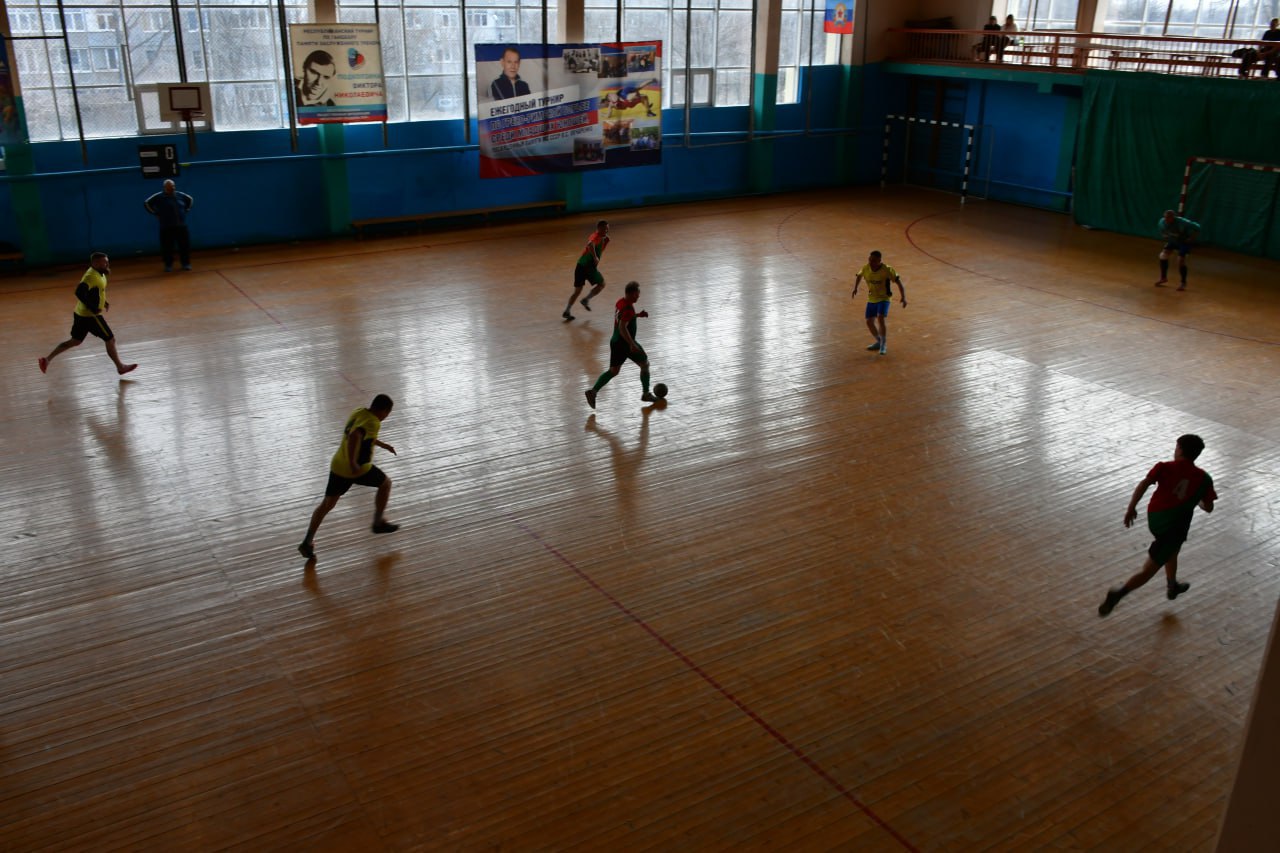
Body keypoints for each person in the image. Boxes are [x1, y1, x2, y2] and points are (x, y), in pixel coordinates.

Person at [1099, 434, 1217, 617]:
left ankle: (1172, 585)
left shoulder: (1164, 467)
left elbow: (1144, 484)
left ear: (1179, 449)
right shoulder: (1204, 479)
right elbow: (1208, 507)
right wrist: (1197, 500)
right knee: (1149, 570)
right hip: (1174, 528)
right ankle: (1119, 593)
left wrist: (1131, 508)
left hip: (1155, 520)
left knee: (1172, 551)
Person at [298, 394, 399, 561]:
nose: (385, 418)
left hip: (338, 466)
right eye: (387, 414)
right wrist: (353, 462)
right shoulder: (373, 421)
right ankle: (378, 522)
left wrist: (383, 445)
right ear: (383, 411)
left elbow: (363, 435)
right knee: (386, 484)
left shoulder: (359, 412)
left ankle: (307, 542)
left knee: (327, 504)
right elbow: (355, 435)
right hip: (358, 469)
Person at [38, 252, 137, 376]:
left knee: (75, 341)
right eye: (103, 262)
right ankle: (120, 367)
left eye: (107, 261)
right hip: (90, 316)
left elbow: (96, 291)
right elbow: (79, 292)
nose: (107, 264)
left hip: (80, 314)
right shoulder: (91, 276)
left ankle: (46, 360)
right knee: (110, 339)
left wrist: (103, 301)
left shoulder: (99, 273)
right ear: (95, 263)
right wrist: (93, 307)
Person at [585, 281, 656, 408]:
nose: (639, 297)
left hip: (615, 342)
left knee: (613, 371)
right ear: (633, 293)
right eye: (638, 294)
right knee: (645, 364)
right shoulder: (629, 308)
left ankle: (593, 392)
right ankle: (646, 394)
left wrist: (637, 315)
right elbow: (623, 327)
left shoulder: (621, 302)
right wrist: (632, 344)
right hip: (625, 343)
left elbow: (623, 318)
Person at [852, 250, 908, 355]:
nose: (870, 262)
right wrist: (855, 288)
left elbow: (898, 282)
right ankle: (878, 341)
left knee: (880, 318)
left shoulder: (887, 270)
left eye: (873, 260)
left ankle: (883, 344)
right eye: (869, 259)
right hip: (872, 298)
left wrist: (903, 297)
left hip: (884, 298)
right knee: (869, 322)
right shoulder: (866, 268)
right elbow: (859, 275)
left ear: (879, 261)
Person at [143, 179, 194, 272]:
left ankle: (186, 264)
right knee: (167, 247)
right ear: (165, 187)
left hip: (181, 226)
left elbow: (190, 199)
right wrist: (155, 213)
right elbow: (146, 203)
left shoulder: (180, 195)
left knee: (184, 246)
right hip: (166, 227)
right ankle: (168, 265)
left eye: (173, 186)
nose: (173, 188)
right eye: (170, 187)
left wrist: (186, 209)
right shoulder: (159, 196)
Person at [564, 220, 609, 320]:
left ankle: (567, 311)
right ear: (600, 228)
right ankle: (586, 300)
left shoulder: (604, 239)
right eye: (605, 229)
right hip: (587, 266)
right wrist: (595, 257)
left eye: (608, 229)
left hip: (580, 266)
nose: (607, 230)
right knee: (602, 284)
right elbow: (589, 244)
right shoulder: (595, 236)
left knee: (577, 291)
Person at [1156, 209, 1200, 291]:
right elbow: (1162, 231)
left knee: (1180, 260)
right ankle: (1163, 278)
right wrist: (1165, 236)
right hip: (1173, 241)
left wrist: (1192, 238)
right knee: (1163, 256)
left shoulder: (1182, 222)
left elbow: (1197, 227)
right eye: (1165, 218)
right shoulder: (1162, 222)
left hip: (1184, 242)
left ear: (1174, 217)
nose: (1166, 220)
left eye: (1169, 218)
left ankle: (1183, 283)